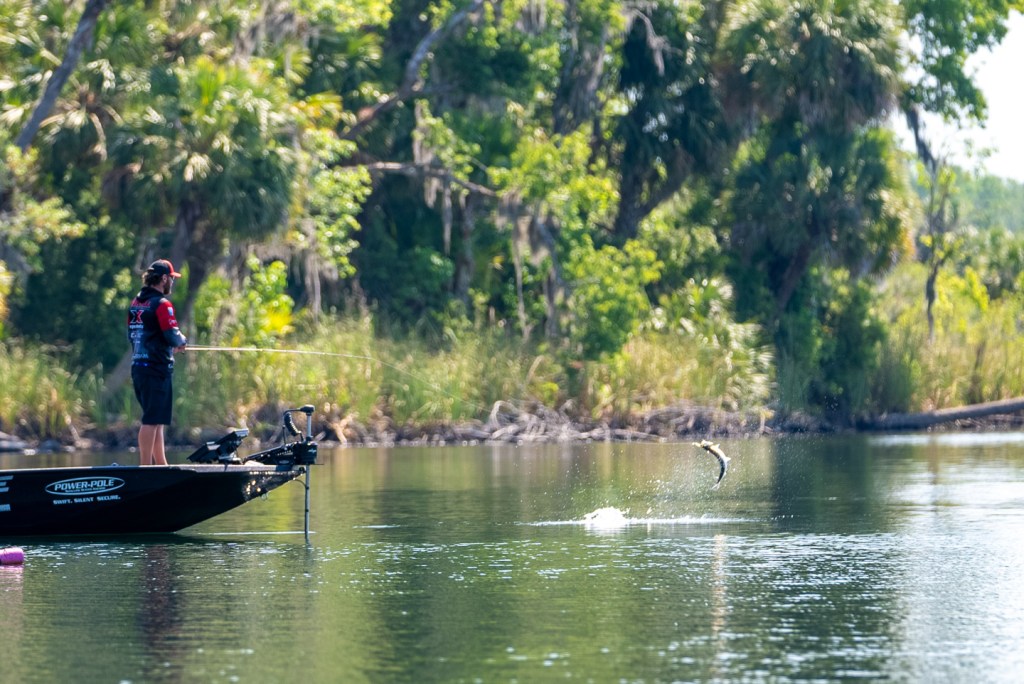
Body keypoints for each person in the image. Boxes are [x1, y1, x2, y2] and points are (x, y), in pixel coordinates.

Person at [127, 259, 187, 465]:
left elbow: (135, 334)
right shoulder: (162, 304)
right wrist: (181, 342)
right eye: (171, 278)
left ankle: (161, 465)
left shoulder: (136, 303)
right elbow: (172, 334)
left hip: (139, 368)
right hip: (155, 369)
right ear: (163, 279)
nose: (172, 282)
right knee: (152, 419)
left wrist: (168, 344)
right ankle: (146, 467)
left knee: (157, 419)